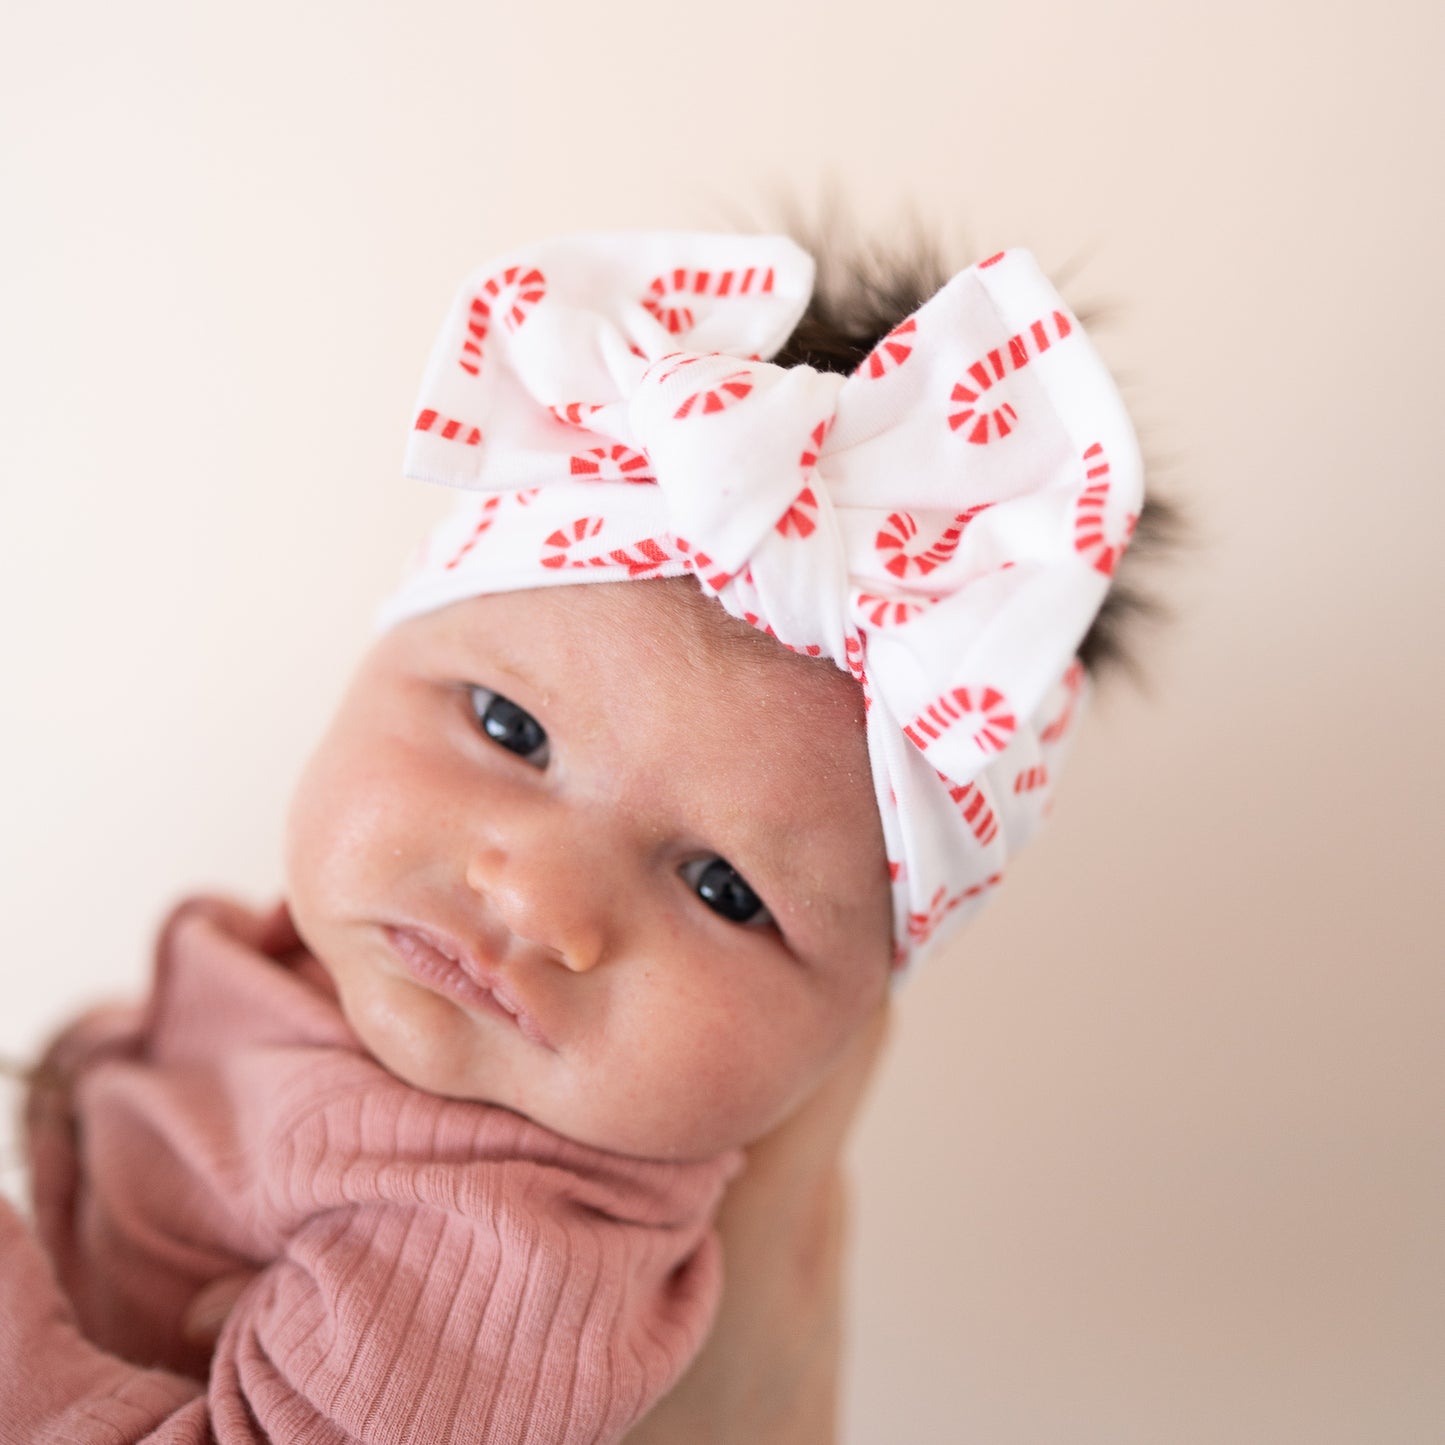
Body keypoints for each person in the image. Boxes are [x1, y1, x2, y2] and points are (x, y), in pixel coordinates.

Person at [0, 228, 1167, 1442]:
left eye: (722, 887)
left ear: (852, 1031)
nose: (539, 901)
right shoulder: (327, 961)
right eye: (510, 727)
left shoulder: (508, 1250)